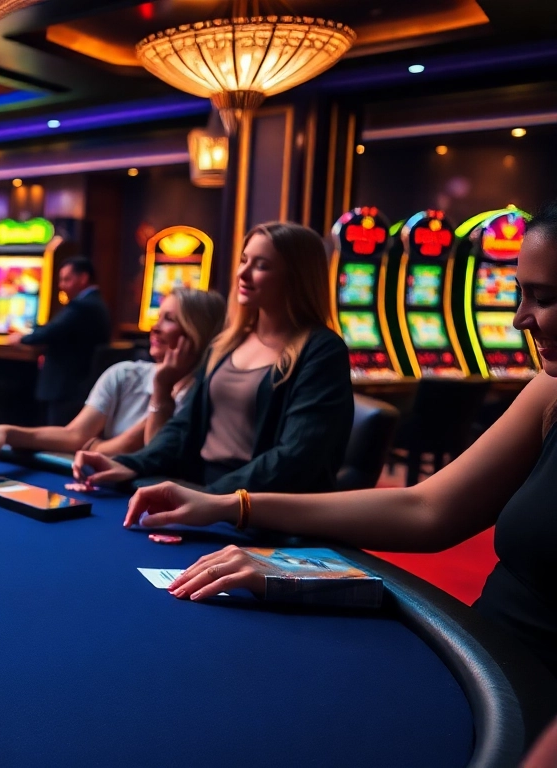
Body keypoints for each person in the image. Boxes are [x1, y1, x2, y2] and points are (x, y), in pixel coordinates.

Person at [120, 200, 557, 677]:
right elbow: (426, 507)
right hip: (484, 659)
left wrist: (225, 501)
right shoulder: (549, 388)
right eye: (519, 293)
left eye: (545, 297)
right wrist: (200, 493)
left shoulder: (319, 349)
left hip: (526, 691)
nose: (518, 319)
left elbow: (296, 458)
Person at [73, 222, 354, 494]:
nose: (242, 273)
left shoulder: (322, 351)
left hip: (260, 507)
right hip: (204, 491)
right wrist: (129, 465)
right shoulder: (227, 343)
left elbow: (297, 458)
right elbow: (184, 427)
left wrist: (213, 498)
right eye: (244, 260)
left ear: (296, 278)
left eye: (261, 266)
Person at [0, 288, 226, 474]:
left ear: (196, 332)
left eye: (170, 319)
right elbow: (74, 436)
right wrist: (7, 432)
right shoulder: (124, 374)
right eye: (159, 316)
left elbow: (155, 459)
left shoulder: (208, 393)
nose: (154, 327)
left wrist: (162, 390)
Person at [19, 256, 112, 426]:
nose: (61, 285)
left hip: (67, 388)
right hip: (77, 386)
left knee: (55, 436)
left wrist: (22, 337)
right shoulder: (95, 302)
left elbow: (51, 331)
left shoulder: (83, 305)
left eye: (66, 279)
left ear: (83, 278)